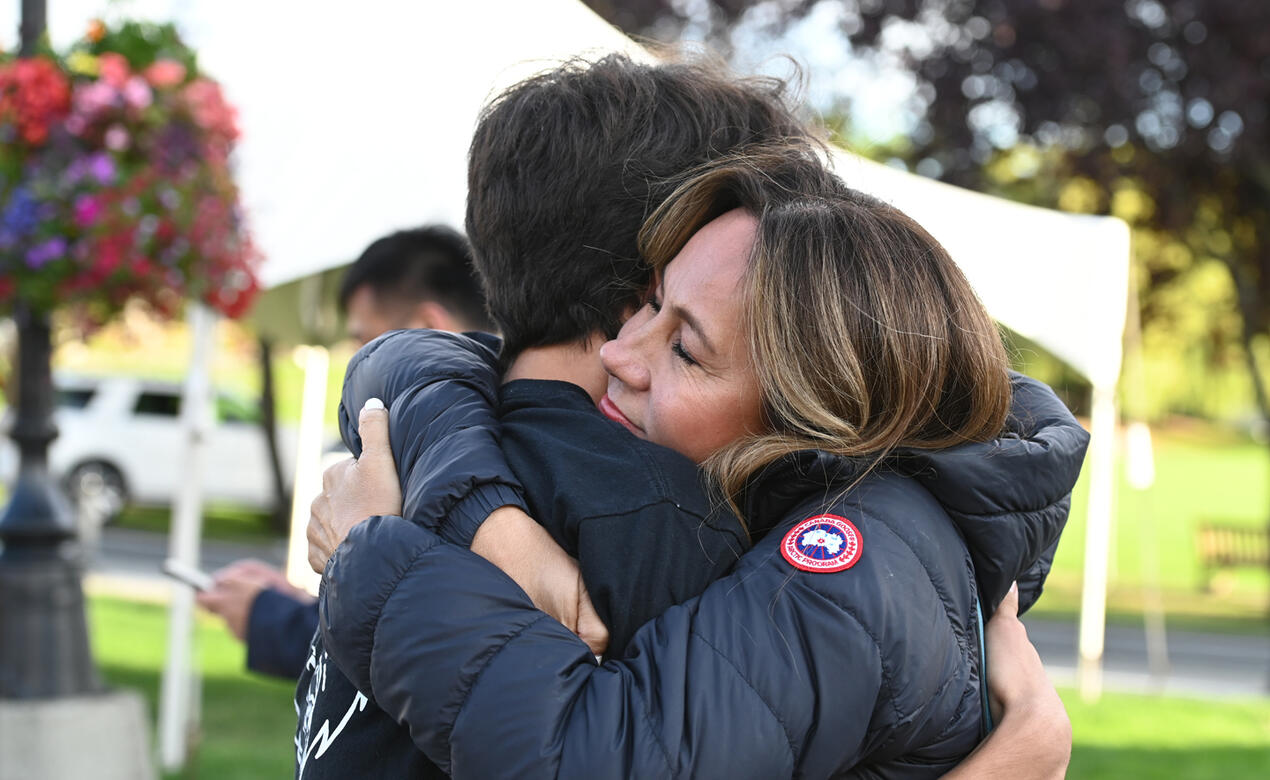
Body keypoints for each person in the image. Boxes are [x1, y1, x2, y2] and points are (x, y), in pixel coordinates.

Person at [301, 56, 1083, 778]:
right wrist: (478, 511)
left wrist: (370, 554)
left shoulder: (744, 545)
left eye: (686, 344)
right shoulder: (462, 441)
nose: (622, 356)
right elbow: (422, 360)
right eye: (653, 305)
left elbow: (598, 757)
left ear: (807, 413)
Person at [195, 225, 489, 679]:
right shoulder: (465, 439)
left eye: (363, 342)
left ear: (429, 329)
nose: (354, 364)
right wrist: (301, 602)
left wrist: (270, 617)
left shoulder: (458, 459)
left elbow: (419, 641)